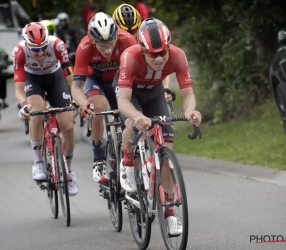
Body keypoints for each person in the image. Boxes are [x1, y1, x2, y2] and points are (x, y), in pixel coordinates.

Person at [113, 17, 202, 234]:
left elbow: (188, 94)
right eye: (153, 54)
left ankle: (170, 213)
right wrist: (136, 117)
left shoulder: (178, 55)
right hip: (130, 93)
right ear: (143, 51)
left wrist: (190, 110)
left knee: (167, 151)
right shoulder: (130, 56)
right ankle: (127, 160)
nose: (160, 58)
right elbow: (123, 101)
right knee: (132, 125)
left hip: (154, 94)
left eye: (164, 51)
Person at [71, 12, 137, 184]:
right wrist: (84, 104)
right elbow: (76, 86)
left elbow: (139, 71)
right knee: (97, 109)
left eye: (111, 44)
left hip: (119, 80)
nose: (108, 50)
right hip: (96, 81)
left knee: (128, 115)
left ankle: (129, 158)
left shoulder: (127, 39)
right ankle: (98, 161)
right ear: (93, 41)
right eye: (102, 46)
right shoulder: (84, 47)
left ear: (117, 36)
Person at [13, 22, 78, 196]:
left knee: (68, 125)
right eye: (35, 50)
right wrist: (24, 105)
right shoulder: (19, 52)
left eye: (43, 48)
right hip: (32, 80)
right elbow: (19, 91)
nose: (40, 53)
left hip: (55, 78)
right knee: (37, 112)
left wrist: (77, 98)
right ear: (27, 45)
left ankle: (69, 171)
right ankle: (38, 162)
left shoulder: (57, 45)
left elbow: (71, 78)